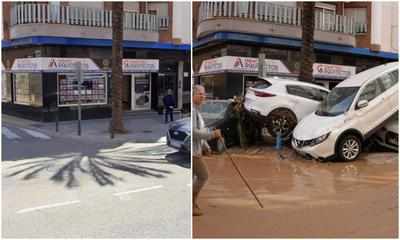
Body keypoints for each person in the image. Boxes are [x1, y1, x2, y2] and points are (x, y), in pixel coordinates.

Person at [192, 85, 223, 216]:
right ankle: (191, 204)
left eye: (204, 94)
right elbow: (194, 132)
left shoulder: (197, 112)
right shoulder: (193, 112)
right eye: (200, 94)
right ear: (193, 95)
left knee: (195, 177)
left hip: (197, 150)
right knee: (203, 176)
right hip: (193, 152)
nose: (203, 96)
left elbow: (201, 131)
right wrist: (212, 135)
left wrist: (207, 147)